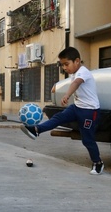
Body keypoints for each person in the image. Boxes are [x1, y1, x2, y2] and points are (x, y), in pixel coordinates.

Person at [20, 46, 103, 175]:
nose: (64, 68)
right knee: (58, 118)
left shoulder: (83, 72)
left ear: (77, 61)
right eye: (62, 65)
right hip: (77, 107)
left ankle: (98, 163)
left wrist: (67, 95)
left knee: (87, 139)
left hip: (89, 111)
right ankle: (37, 130)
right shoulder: (75, 73)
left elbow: (76, 83)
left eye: (66, 64)